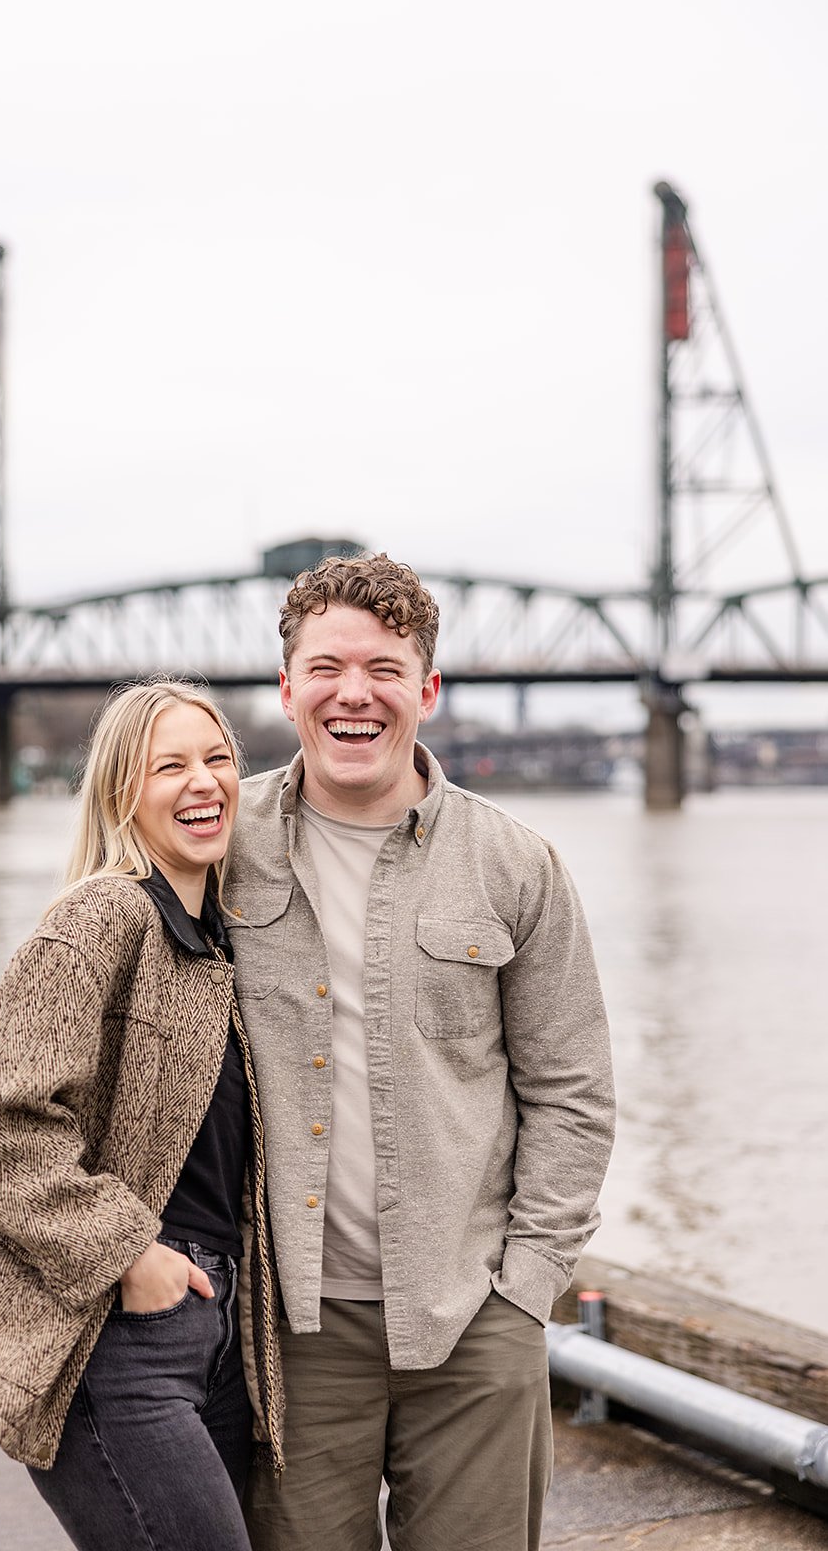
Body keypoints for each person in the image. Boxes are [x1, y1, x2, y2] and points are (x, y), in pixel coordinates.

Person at [223, 554, 614, 1551]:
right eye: (325, 667)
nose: (353, 693)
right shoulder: (218, 847)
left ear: (426, 690)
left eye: (384, 669)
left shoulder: (513, 862)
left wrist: (526, 1284)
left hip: (470, 1314)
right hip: (288, 1327)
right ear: (285, 687)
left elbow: (570, 1091)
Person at [0, 679, 284, 1551]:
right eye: (170, 767)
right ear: (122, 794)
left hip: (219, 1333)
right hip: (116, 1333)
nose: (204, 782)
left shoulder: (220, 938)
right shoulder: (102, 917)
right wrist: (126, 1253)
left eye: (219, 759)